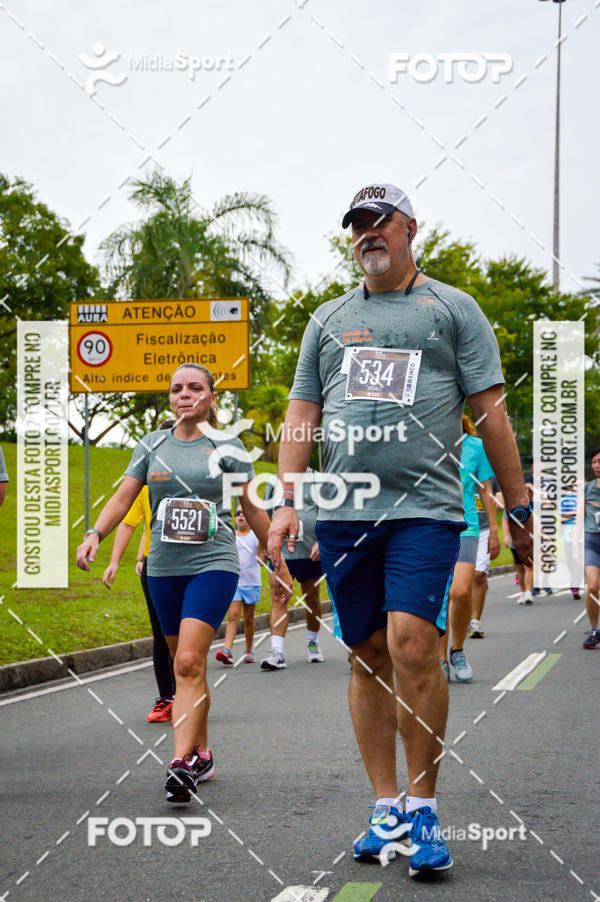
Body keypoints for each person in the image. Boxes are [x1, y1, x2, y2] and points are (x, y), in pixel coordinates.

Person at [268, 183, 532, 879]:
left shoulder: (452, 309)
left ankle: (423, 808)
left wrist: (515, 499)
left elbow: (491, 412)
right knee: (365, 655)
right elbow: (303, 410)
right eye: (356, 225)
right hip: (346, 509)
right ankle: (384, 805)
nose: (367, 234)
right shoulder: (327, 319)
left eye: (379, 221)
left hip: (425, 508)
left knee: (414, 642)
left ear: (411, 227)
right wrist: (288, 497)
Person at [76, 363, 291, 803]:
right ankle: (203, 752)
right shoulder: (151, 444)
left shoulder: (228, 446)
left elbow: (251, 508)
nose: (185, 395)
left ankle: (179, 763)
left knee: (190, 662)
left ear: (212, 398)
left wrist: (276, 556)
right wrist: (94, 533)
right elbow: (123, 497)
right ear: (170, 398)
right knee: (186, 666)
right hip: (163, 570)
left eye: (195, 388)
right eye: (176, 389)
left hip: (213, 563)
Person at [102, 419, 176, 723]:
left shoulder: (200, 476)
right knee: (161, 634)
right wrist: (115, 560)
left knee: (186, 636)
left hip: (196, 565)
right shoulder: (146, 483)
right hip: (155, 566)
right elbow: (129, 522)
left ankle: (188, 691)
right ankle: (166, 698)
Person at [439, 415, 499, 681]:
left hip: (468, 527)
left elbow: (486, 491)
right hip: (434, 525)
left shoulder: (476, 446)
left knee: (461, 592)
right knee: (441, 596)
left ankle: (458, 650)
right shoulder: (430, 441)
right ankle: (440, 660)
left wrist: (495, 532)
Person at [261, 468, 325, 670]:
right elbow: (264, 514)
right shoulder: (275, 480)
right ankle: (277, 651)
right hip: (282, 553)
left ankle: (312, 641)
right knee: (278, 597)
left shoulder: (318, 480)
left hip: (310, 552)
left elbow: (329, 513)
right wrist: (263, 546)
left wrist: (322, 541)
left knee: (311, 598)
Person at [216, 507, 267, 665]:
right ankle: (227, 649)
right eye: (237, 514)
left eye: (243, 513)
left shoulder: (254, 536)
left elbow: (261, 554)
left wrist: (263, 558)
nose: (240, 516)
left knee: (249, 618)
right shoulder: (232, 536)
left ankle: (249, 650)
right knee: (233, 615)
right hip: (236, 582)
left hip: (252, 582)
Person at [469, 487, 499, 639]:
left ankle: (475, 621)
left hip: (484, 529)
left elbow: (500, 499)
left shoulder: (488, 472)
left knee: (479, 575)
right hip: (462, 528)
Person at [578, 449, 600, 648]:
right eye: (594, 461)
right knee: (593, 587)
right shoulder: (587, 489)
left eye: (599, 461)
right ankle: (594, 629)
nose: (596, 465)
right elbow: (580, 516)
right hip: (592, 541)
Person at [501, 485, 534, 604]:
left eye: (527, 490)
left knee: (529, 566)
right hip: (515, 542)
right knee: (519, 568)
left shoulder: (530, 506)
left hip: (528, 541)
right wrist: (505, 536)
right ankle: (523, 592)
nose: (525, 492)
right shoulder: (510, 508)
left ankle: (529, 592)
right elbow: (505, 522)